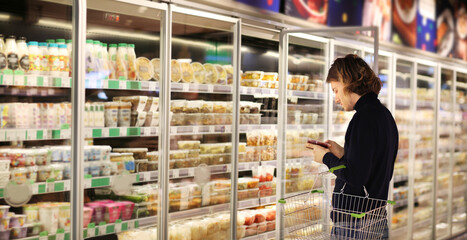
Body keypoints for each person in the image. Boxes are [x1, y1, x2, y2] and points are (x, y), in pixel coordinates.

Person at [308, 54, 398, 239]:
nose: (336, 99)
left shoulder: (363, 119)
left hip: (355, 224)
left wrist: (325, 157)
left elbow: (355, 177)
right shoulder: (383, 115)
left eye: (336, 90)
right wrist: (342, 153)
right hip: (375, 218)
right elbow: (369, 163)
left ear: (347, 82)